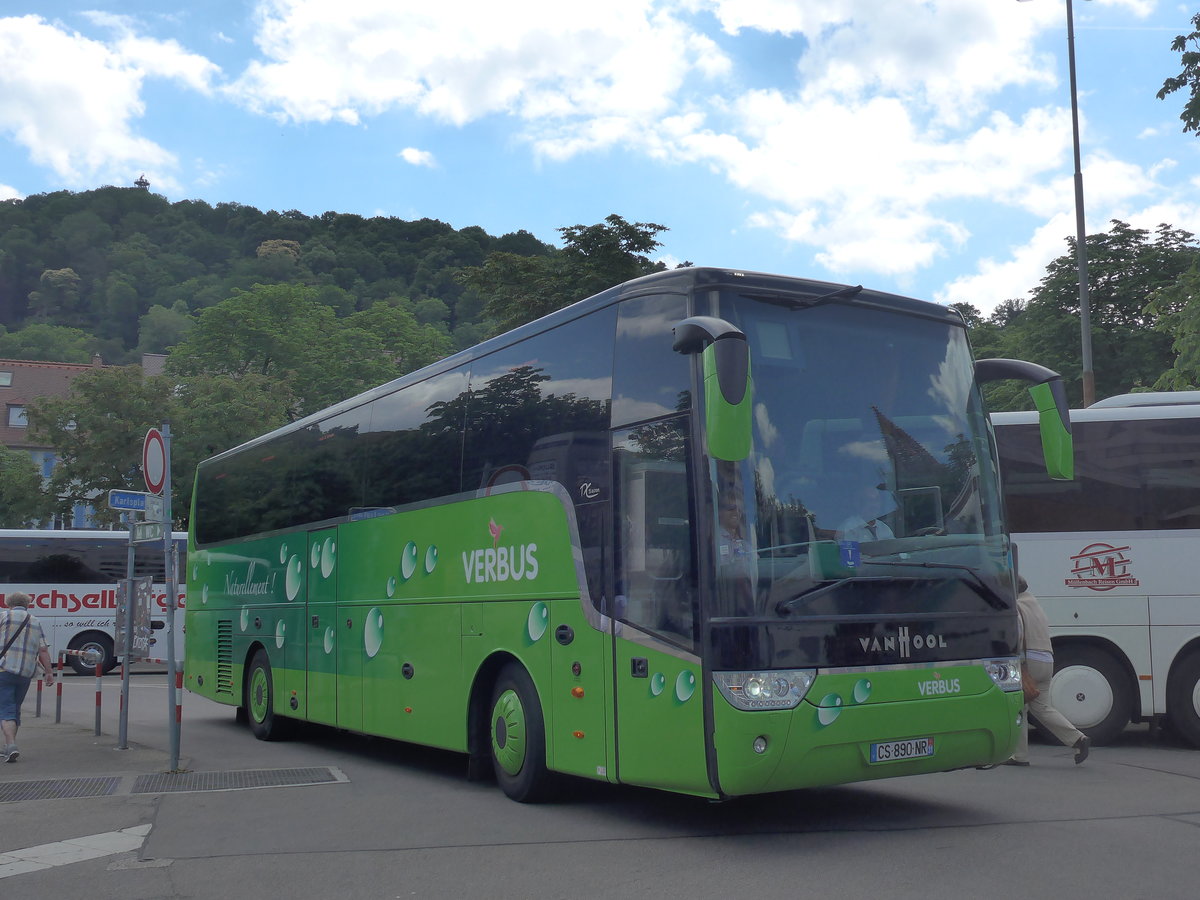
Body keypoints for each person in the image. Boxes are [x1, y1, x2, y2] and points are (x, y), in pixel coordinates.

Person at [1008, 575, 1090, 766]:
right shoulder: (1035, 606)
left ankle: (1019, 756)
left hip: (1029, 661)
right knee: (1041, 707)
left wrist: (1018, 661)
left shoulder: (1017, 607)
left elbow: (1018, 635)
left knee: (1016, 707)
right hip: (1047, 659)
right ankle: (1078, 739)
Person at [0, 591, 56, 763]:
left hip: (3, 670)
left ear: (8, 603)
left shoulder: (3, 616)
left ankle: (11, 745)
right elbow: (43, 650)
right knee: (14, 708)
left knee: (6, 709)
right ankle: (10, 745)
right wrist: (48, 672)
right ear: (28, 604)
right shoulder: (35, 621)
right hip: (25, 673)